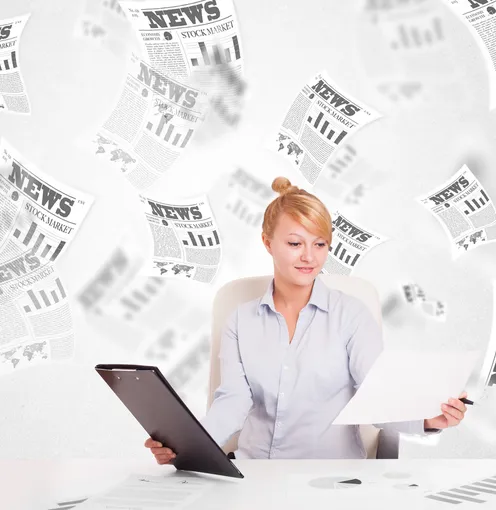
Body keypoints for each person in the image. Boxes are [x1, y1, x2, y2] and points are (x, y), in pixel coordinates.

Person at [145, 177, 468, 462]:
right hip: (254, 473)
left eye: (320, 244)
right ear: (268, 243)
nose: (309, 257)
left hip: (330, 480)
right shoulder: (240, 320)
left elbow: (378, 399)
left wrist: (428, 420)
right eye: (295, 243)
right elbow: (233, 401)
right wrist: (184, 447)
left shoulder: (352, 316)